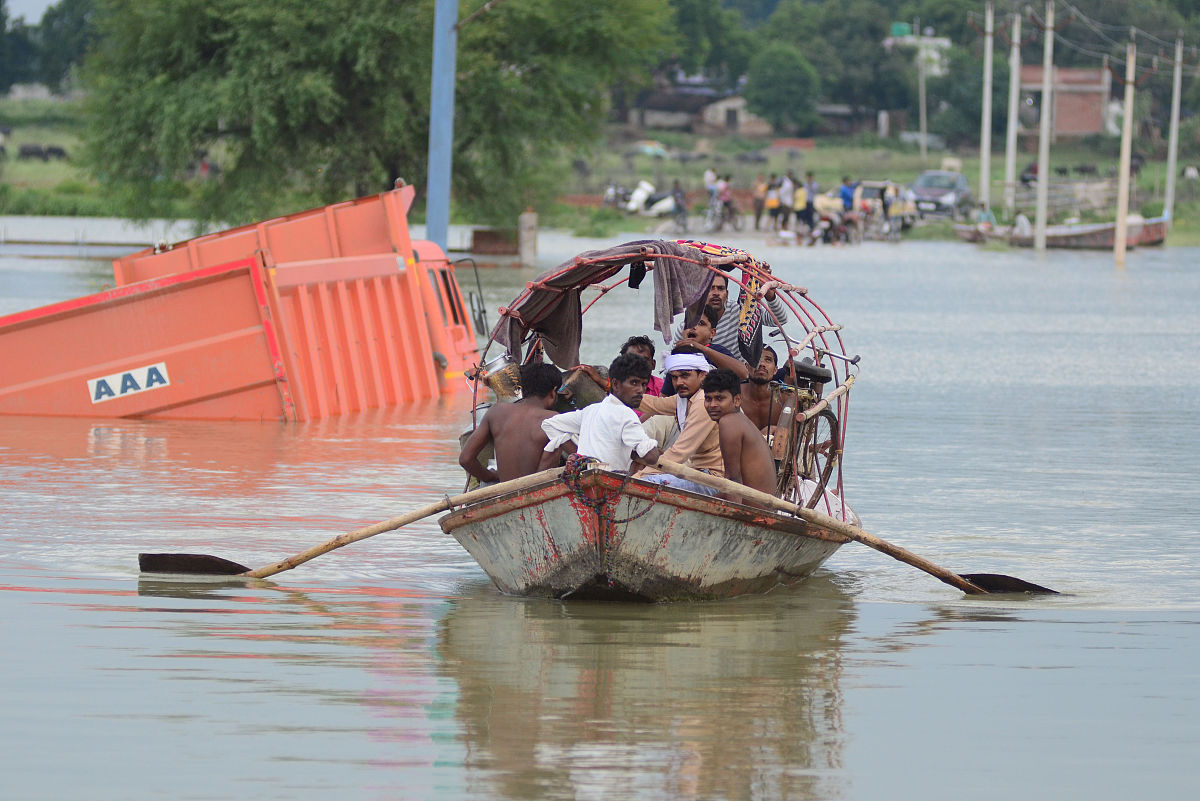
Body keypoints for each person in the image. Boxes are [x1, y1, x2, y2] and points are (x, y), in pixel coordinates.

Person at [538, 353, 662, 473]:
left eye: (644, 384)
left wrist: (580, 457)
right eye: (634, 383)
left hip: (584, 477)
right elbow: (651, 457)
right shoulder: (626, 414)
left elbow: (550, 424)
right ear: (615, 384)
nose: (640, 390)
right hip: (610, 485)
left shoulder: (590, 410)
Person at [459, 362, 563, 485]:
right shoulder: (553, 419)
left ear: (523, 389)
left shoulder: (496, 412)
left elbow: (465, 459)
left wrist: (490, 476)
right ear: (553, 392)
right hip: (535, 493)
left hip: (504, 491)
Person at [635, 352, 722, 494]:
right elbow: (655, 404)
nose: (679, 382)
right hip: (696, 471)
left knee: (645, 483)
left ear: (703, 375)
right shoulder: (684, 398)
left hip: (712, 479)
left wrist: (639, 477)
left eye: (685, 375)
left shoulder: (703, 401)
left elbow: (679, 452)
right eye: (674, 377)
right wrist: (621, 392)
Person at [700, 368, 778, 506]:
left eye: (719, 398)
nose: (712, 405)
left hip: (753, 511)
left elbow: (733, 480)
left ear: (737, 400)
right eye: (708, 398)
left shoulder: (729, 422)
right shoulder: (740, 420)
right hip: (762, 505)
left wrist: (733, 521)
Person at [670, 273, 789, 362]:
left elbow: (780, 319)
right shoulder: (686, 328)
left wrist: (769, 295)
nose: (716, 293)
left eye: (720, 288)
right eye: (710, 288)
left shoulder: (741, 311)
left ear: (726, 294)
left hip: (739, 379)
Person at [574, 334, 664, 398]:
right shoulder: (616, 386)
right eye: (632, 360)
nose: (638, 365)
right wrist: (598, 379)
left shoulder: (663, 388)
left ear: (653, 365)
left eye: (644, 360)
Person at [739, 346, 795, 431]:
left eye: (768, 360)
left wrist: (776, 429)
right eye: (756, 359)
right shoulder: (734, 395)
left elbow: (797, 436)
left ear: (775, 370)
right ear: (746, 366)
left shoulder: (785, 399)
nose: (761, 364)